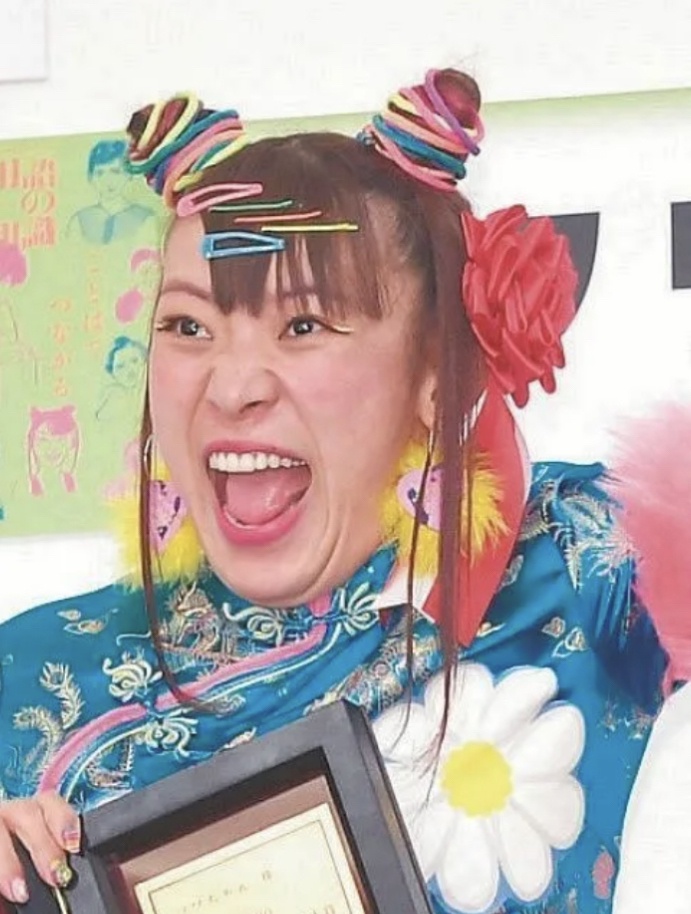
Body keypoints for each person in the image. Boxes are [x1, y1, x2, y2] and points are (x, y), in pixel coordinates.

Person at [0, 69, 684, 914]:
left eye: (303, 325)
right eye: (187, 326)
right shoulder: (32, 677)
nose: (231, 387)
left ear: (433, 371)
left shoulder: (585, 561)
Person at [66, 139, 154, 245]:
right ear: (91, 178)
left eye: (115, 172)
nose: (107, 180)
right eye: (99, 173)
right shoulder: (79, 221)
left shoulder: (146, 218)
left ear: (129, 174)